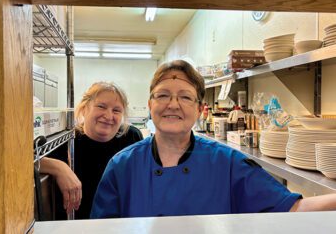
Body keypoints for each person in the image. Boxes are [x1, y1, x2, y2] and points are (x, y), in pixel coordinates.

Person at [90, 60, 336, 219]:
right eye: (163, 95)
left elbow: (290, 208)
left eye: (185, 97)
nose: (173, 104)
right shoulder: (121, 166)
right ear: (150, 105)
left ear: (199, 109)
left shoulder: (228, 163)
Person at [40, 81, 143, 219]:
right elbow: (20, 161)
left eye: (116, 110)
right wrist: (59, 167)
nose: (108, 116)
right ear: (84, 108)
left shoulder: (131, 137)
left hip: (118, 224)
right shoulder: (65, 140)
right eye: (101, 106)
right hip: (74, 225)